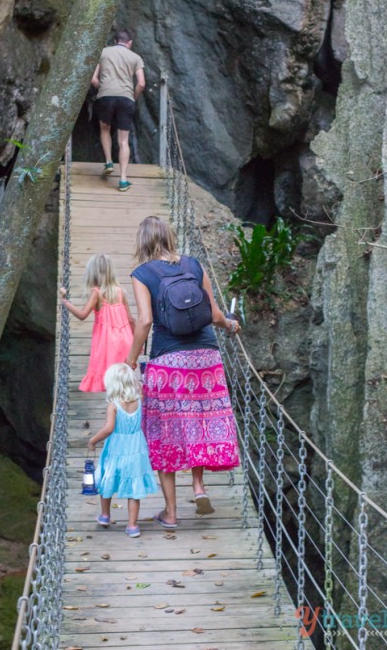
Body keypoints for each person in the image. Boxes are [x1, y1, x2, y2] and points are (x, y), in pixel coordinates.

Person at [125, 216, 241, 529]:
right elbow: (215, 314)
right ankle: (199, 487)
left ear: (143, 242)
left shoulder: (142, 274)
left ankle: (171, 514)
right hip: (206, 359)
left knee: (167, 433)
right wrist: (229, 324)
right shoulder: (193, 265)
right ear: (170, 237)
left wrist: (131, 360)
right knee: (199, 422)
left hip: (168, 361)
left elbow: (145, 321)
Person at [88, 363, 158, 538]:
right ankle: (132, 525)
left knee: (107, 479)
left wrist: (94, 439)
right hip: (135, 449)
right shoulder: (139, 400)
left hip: (116, 449)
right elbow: (142, 389)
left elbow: (109, 428)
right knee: (134, 488)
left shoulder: (113, 405)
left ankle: (105, 516)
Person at [60, 254, 135, 392]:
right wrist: (137, 344)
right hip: (126, 340)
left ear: (93, 273)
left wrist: (65, 302)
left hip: (107, 344)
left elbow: (82, 315)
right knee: (123, 380)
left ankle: (112, 409)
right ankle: (124, 409)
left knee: (111, 380)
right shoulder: (120, 292)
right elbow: (131, 320)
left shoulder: (97, 293)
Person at [91, 28, 145, 192]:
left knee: (105, 129)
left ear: (115, 41)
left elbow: (93, 79)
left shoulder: (103, 53)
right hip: (125, 99)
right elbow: (141, 84)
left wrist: (104, 89)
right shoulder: (135, 57)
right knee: (123, 140)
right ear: (129, 43)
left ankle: (108, 161)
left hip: (105, 97)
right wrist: (132, 98)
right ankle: (122, 180)